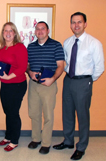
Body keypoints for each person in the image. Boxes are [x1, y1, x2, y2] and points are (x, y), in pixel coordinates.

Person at [53, 12, 104, 160]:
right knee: (67, 113)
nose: (76, 25)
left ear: (85, 24)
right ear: (70, 25)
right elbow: (66, 63)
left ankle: (81, 147)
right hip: (68, 80)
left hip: (83, 82)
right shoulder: (67, 42)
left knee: (82, 116)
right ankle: (68, 141)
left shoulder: (94, 43)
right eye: (73, 22)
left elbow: (100, 67)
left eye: (79, 22)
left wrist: (87, 80)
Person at [26, 21, 64, 154]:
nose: (40, 31)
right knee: (33, 113)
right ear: (35, 32)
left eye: (43, 29)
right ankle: (36, 139)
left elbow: (60, 66)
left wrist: (52, 79)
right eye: (37, 29)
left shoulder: (56, 45)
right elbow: (27, 65)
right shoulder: (30, 47)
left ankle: (46, 142)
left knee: (48, 115)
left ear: (48, 31)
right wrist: (30, 72)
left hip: (48, 85)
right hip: (33, 85)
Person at [0, 22, 28, 152]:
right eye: (5, 31)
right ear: (3, 33)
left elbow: (22, 67)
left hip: (17, 84)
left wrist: (9, 77)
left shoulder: (20, 47)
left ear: (14, 33)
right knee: (7, 112)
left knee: (13, 113)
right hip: (5, 84)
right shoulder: (2, 48)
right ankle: (8, 136)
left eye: (10, 30)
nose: (8, 33)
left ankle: (14, 140)